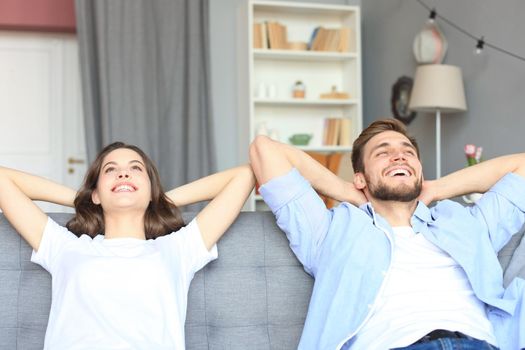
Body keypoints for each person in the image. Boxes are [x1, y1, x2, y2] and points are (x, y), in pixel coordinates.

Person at [249, 118, 525, 350]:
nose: (399, 155)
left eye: (408, 152)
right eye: (382, 152)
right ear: (360, 177)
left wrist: (436, 188)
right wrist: (351, 192)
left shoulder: (464, 223)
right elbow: (265, 150)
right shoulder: (330, 232)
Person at [0, 141, 255, 349]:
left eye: (136, 168)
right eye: (110, 170)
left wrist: (160, 200)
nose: (123, 173)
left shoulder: (179, 248)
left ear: (151, 189)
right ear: (96, 192)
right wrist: (84, 200)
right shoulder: (65, 247)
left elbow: (244, 176)